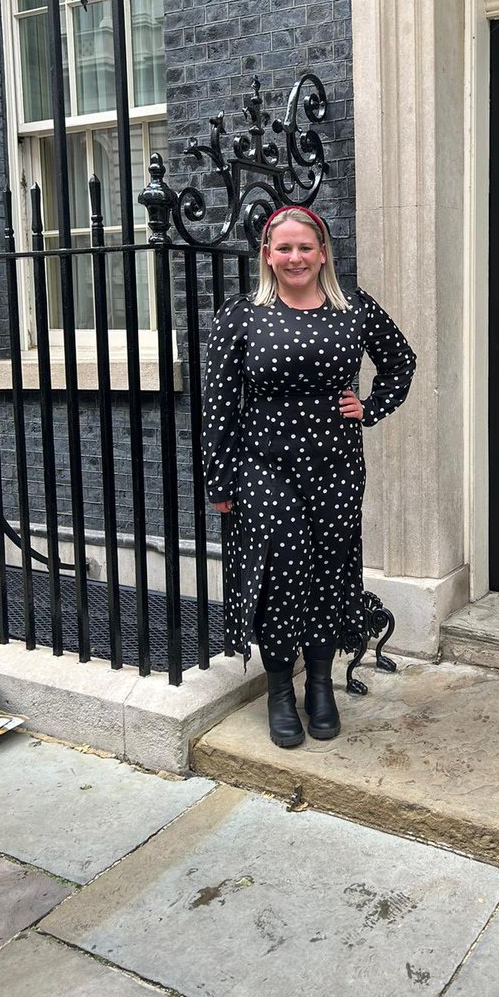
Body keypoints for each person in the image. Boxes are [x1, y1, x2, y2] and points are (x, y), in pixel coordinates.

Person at [201, 206, 416, 749]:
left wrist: (368, 408)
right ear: (267, 256)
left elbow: (401, 362)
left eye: (305, 248)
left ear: (323, 253)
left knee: (328, 569)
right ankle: (279, 689)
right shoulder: (241, 315)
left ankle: (319, 685)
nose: (294, 258)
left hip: (337, 467)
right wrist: (220, 482)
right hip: (264, 467)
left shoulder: (354, 309)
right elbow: (220, 405)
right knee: (277, 574)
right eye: (283, 249)